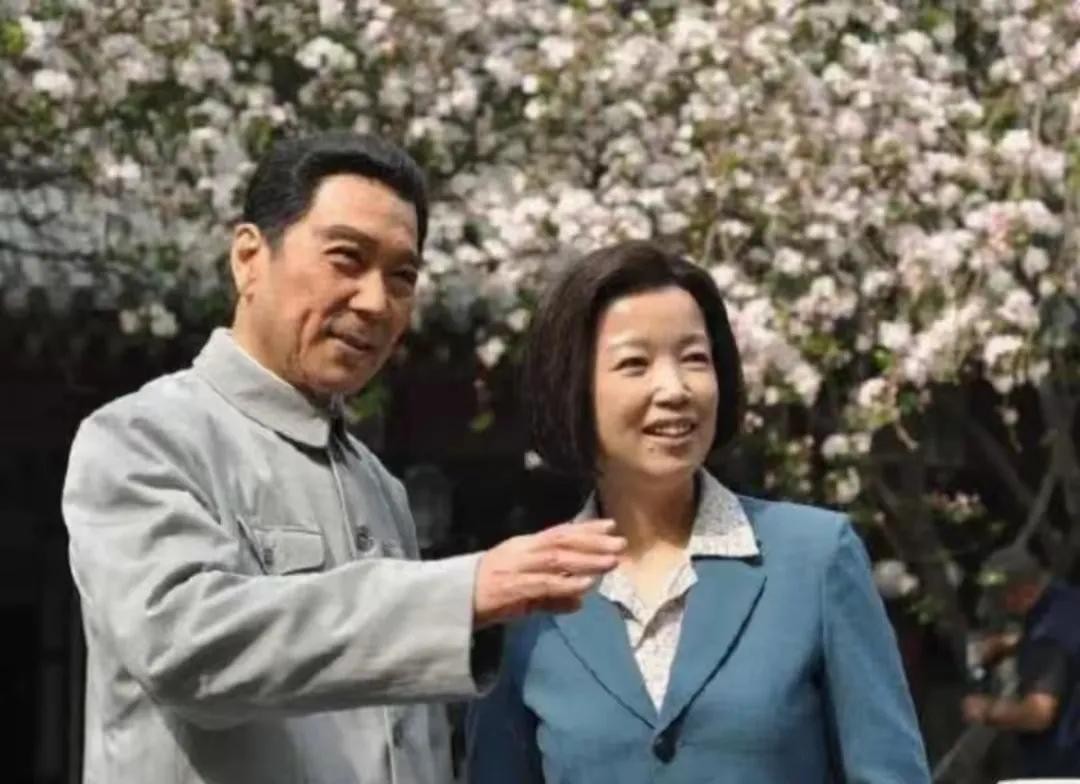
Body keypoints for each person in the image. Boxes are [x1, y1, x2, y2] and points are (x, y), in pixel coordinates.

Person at [61, 131, 625, 784]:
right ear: (249, 258)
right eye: (346, 259)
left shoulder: (377, 485)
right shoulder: (142, 438)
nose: (375, 302)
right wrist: (462, 593)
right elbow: (183, 646)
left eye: (402, 277)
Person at [466, 240, 930, 783]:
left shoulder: (817, 558)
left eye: (694, 359)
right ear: (572, 387)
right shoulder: (528, 594)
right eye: (635, 364)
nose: (675, 389)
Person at [962, 545, 1080, 777]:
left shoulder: (1045, 639)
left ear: (1025, 592)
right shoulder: (1069, 601)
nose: (1002, 607)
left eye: (1002, 599)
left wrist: (986, 710)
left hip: (1065, 767)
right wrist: (1012, 643)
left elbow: (1038, 715)